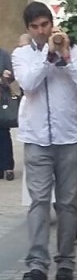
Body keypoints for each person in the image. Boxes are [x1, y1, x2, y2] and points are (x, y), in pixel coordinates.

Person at [11, 2, 77, 280]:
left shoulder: (72, 51)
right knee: (38, 202)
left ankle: (66, 261)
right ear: (28, 29)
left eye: (44, 25)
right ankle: (37, 265)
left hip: (70, 137)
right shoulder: (21, 55)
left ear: (52, 24)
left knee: (67, 203)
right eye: (34, 27)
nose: (40, 31)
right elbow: (29, 83)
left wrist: (67, 56)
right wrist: (48, 57)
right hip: (36, 138)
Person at [0, 47, 16, 180]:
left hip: (2, 99)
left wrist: (5, 78)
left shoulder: (3, 54)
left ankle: (7, 166)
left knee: (3, 132)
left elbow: (12, 75)